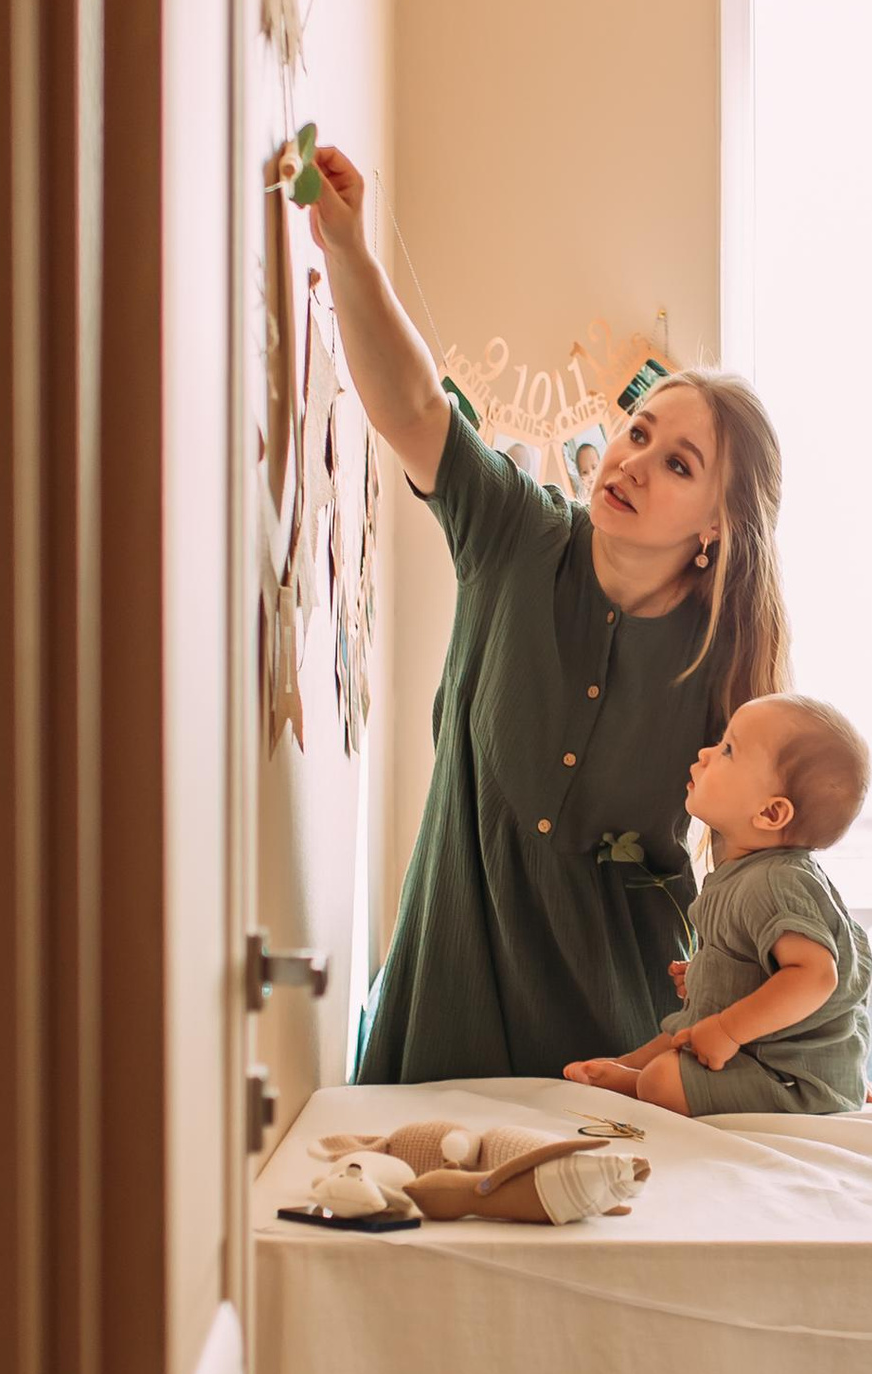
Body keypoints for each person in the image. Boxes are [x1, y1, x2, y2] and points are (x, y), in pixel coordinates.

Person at [296, 142, 790, 1081]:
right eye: (637, 432)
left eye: (678, 463)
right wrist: (350, 252)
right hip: (448, 1026)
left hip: (628, 1056)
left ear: (718, 530)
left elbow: (759, 876)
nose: (633, 461)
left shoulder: (725, 666)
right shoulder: (516, 534)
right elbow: (409, 406)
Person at [567, 694, 870, 1115]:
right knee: (676, 1036)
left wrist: (728, 1028)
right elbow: (767, 968)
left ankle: (638, 1084)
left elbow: (817, 976)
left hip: (792, 1079)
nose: (706, 752)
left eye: (728, 750)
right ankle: (625, 1071)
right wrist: (715, 975)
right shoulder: (749, 874)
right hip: (755, 1055)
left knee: (664, 1073)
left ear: (770, 813)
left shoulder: (777, 882)